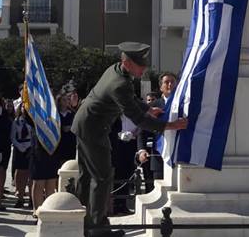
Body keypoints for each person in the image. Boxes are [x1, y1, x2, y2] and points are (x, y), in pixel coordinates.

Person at [72, 42, 187, 237]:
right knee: (102, 176)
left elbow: (131, 99)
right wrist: (169, 125)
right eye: (140, 65)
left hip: (86, 124)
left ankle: (80, 220)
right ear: (127, 63)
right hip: (93, 129)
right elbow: (139, 120)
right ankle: (97, 229)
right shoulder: (119, 83)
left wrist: (148, 108)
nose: (144, 68)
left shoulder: (117, 71)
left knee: (87, 176)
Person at [137, 72, 178, 192]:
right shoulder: (153, 106)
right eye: (166, 82)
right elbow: (142, 131)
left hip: (178, 157)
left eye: (172, 82)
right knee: (158, 191)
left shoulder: (184, 105)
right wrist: (142, 150)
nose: (170, 85)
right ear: (161, 87)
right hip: (158, 156)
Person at [10, 101, 33, 208]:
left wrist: (28, 145)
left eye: (27, 106)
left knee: (30, 174)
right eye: (23, 107)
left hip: (30, 148)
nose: (25, 108)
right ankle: (20, 197)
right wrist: (19, 146)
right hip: (19, 149)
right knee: (20, 173)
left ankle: (32, 199)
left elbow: (34, 135)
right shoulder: (16, 121)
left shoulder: (32, 121)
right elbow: (13, 137)